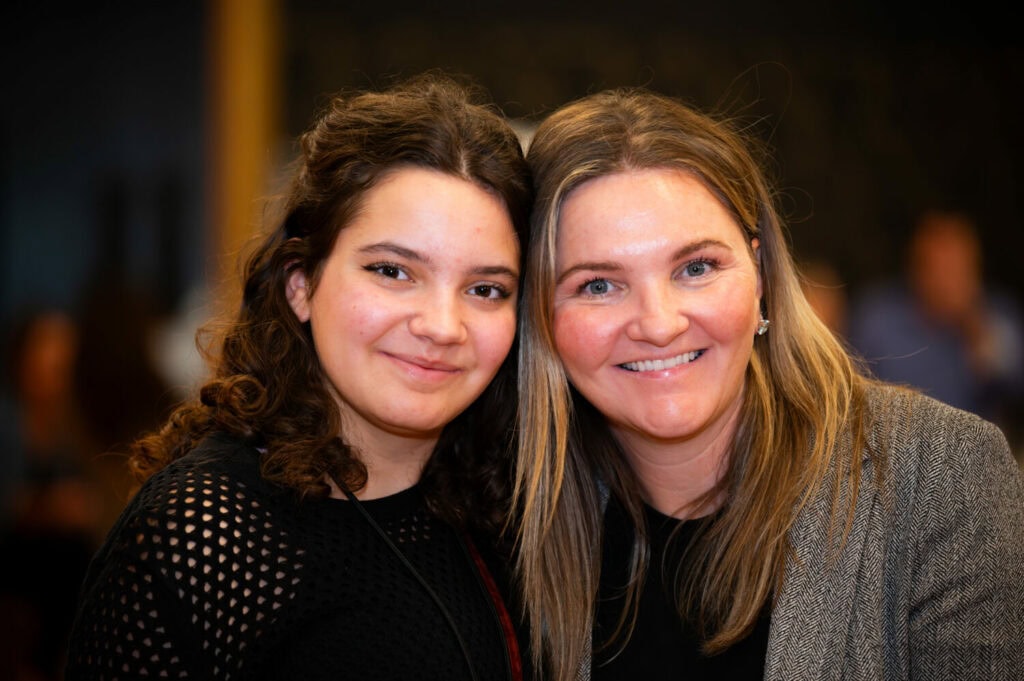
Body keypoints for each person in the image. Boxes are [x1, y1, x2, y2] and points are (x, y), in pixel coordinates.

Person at [512, 87, 1024, 681]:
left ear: (759, 274)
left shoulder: (940, 472)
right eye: (598, 285)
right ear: (540, 313)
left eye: (696, 268)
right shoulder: (509, 508)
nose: (658, 324)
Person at [64, 72, 532, 680]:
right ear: (301, 285)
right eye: (392, 271)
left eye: (486, 289)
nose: (443, 326)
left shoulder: (508, 509)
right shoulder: (204, 532)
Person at [847, 209, 1024, 447]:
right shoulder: (878, 318)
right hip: (895, 450)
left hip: (976, 453)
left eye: (959, 270)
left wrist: (977, 329)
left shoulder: (999, 316)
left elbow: (1015, 386)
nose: (948, 282)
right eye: (939, 269)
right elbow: (852, 397)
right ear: (916, 270)